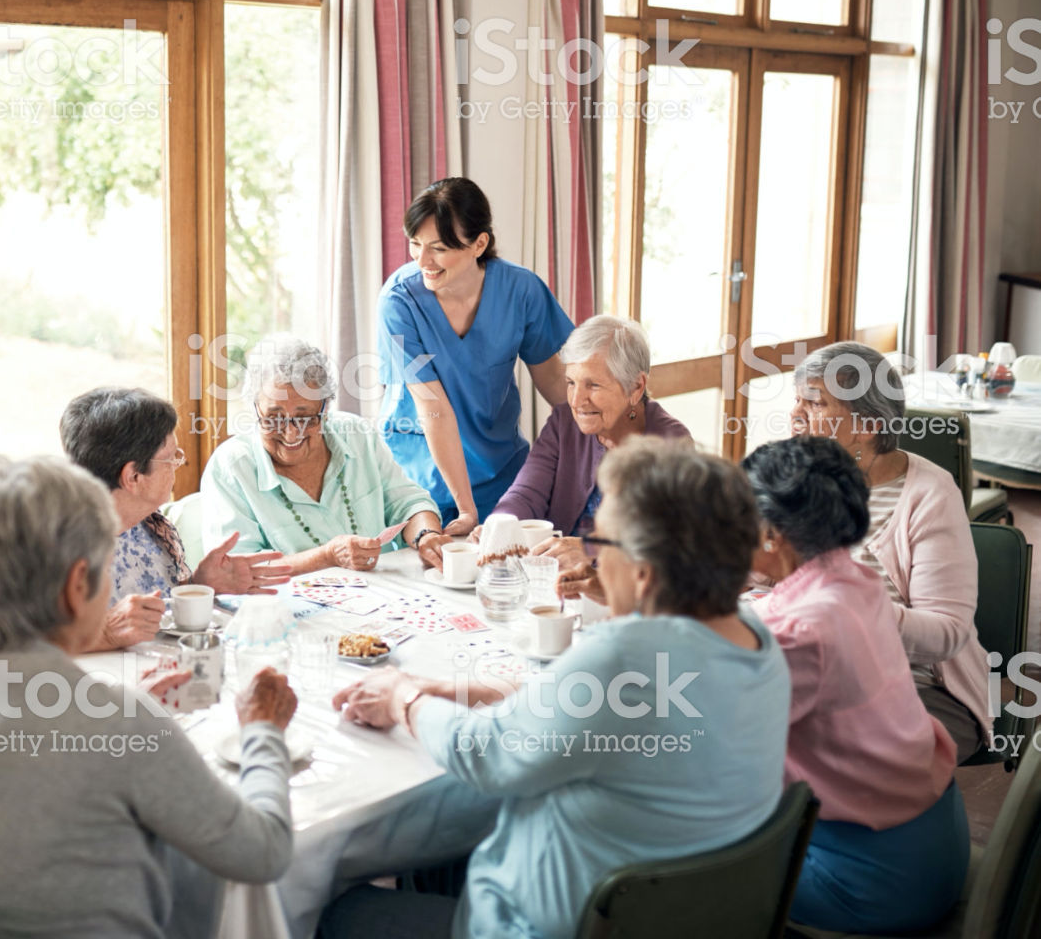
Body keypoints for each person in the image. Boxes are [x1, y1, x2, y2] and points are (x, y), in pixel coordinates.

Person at [324, 438, 789, 939]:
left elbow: (486, 753)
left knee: (332, 908)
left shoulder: (625, 653)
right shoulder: (755, 637)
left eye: (599, 544)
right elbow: (597, 701)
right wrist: (461, 689)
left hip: (539, 925)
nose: (591, 560)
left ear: (644, 571)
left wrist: (403, 698)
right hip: (692, 914)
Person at [0, 454, 297, 939]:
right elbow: (263, 853)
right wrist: (264, 730)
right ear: (79, 586)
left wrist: (115, 710)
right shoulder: (121, 723)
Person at [744, 437, 968, 933]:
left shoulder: (801, 633)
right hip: (932, 845)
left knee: (664, 840)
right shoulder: (853, 580)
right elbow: (771, 613)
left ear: (772, 535)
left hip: (871, 884)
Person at [0, 386, 290, 653]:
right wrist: (102, 633)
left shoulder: (155, 528)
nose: (179, 464)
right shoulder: (40, 537)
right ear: (133, 477)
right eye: (171, 457)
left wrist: (201, 586)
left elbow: (160, 617)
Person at [788, 341, 991, 761]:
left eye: (814, 404)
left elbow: (948, 632)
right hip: (810, 671)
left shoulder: (929, 494)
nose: (795, 417)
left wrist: (853, 612)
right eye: (797, 401)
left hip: (917, 686)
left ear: (865, 426)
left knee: (815, 747)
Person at [378, 177, 575, 535]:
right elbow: (432, 407)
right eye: (415, 244)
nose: (423, 260)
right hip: (418, 470)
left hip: (499, 467)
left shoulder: (521, 291)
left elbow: (552, 380)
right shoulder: (399, 302)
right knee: (429, 577)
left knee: (505, 572)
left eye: (438, 247)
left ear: (479, 243)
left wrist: (609, 421)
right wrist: (466, 510)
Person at [479, 315, 690, 598]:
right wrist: (498, 526)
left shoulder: (671, 443)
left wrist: (590, 548)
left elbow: (669, 540)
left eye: (593, 385)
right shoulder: (563, 422)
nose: (577, 401)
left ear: (636, 387)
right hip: (555, 588)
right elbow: (526, 493)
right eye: (571, 382)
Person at [201, 336, 450, 575]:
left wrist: (425, 535)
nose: (290, 434)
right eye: (273, 418)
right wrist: (327, 556)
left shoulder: (357, 435)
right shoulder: (231, 468)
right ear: (255, 408)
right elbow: (236, 570)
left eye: (306, 418)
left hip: (382, 597)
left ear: (326, 408)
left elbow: (408, 502)